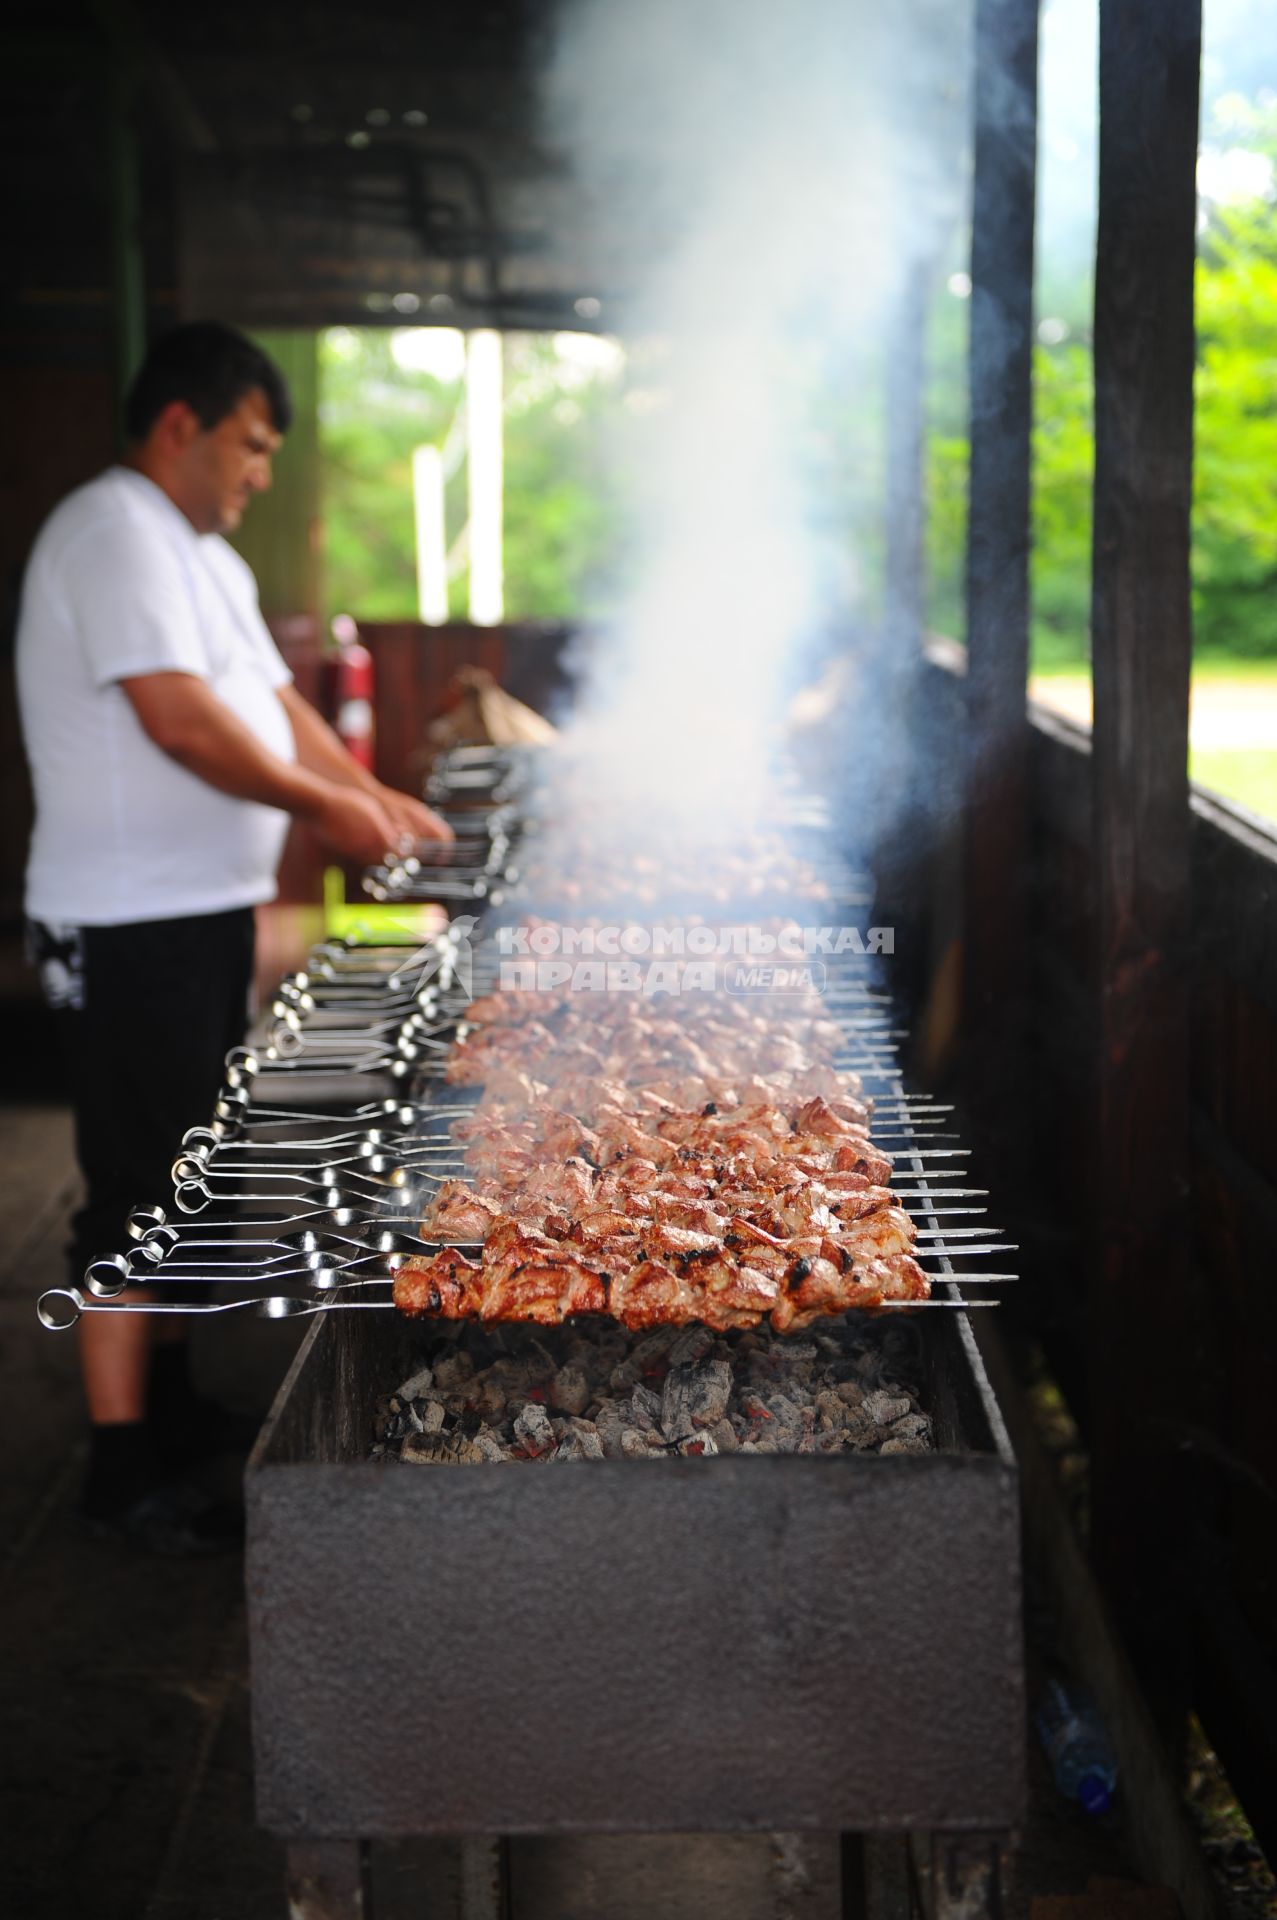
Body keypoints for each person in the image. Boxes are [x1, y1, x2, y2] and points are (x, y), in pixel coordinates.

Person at [15, 322, 451, 1551]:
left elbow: (272, 710)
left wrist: (377, 800)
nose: (261, 471)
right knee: (133, 1191)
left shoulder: (203, 557)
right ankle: (115, 1470)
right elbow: (182, 724)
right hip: (123, 917)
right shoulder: (111, 531)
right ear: (180, 427)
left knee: (188, 1177)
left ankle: (170, 1411)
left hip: (197, 915)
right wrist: (333, 811)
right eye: (251, 445)